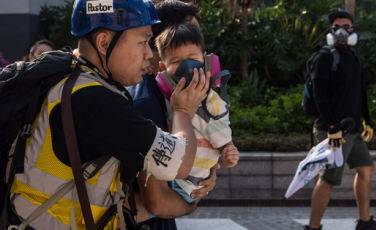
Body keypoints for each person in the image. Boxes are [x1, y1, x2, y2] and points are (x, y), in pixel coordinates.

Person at [7, 0, 210, 229]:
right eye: (142, 42)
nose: (148, 54)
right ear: (104, 42)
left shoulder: (70, 80)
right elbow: (179, 163)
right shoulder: (95, 101)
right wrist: (183, 110)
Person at [305, 10, 376, 230]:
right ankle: (313, 228)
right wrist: (332, 127)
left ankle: (364, 222)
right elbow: (319, 96)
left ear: (353, 30)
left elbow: (360, 91)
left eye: (347, 26)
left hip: (352, 129)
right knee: (328, 179)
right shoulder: (323, 57)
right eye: (337, 27)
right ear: (331, 31)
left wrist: (367, 120)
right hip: (332, 130)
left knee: (366, 169)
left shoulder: (354, 58)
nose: (342, 31)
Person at [127, 1, 209, 229]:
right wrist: (193, 202)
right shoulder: (146, 102)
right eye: (190, 36)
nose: (200, 51)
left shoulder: (164, 95)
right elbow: (159, 202)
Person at [153, 22, 240, 205]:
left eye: (193, 57)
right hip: (165, 177)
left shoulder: (211, 102)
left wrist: (228, 154)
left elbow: (224, 140)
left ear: (206, 61)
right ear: (162, 67)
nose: (187, 65)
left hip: (192, 182)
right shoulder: (158, 96)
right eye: (176, 61)